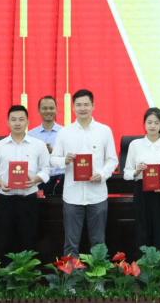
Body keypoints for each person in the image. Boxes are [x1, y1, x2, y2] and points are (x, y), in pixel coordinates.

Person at [50, 89, 119, 258]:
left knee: (98, 243)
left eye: (86, 104)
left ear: (93, 106)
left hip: (97, 195)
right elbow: (53, 159)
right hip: (72, 196)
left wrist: (102, 174)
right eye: (79, 105)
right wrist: (64, 160)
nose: (82, 108)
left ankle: (98, 275)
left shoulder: (104, 131)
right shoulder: (64, 132)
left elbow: (112, 160)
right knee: (71, 243)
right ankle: (71, 275)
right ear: (73, 107)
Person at [0, 105, 50, 266]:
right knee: (5, 240)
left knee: (29, 240)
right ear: (8, 122)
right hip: (6, 201)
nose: (17, 123)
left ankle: (27, 277)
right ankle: (6, 276)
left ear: (27, 122)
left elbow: (47, 169)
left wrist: (35, 179)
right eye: (13, 120)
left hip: (29, 201)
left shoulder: (38, 145)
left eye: (21, 119)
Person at [124, 107, 160, 253]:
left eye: (156, 122)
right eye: (149, 122)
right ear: (144, 124)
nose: (152, 126)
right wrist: (136, 171)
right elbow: (126, 173)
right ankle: (143, 264)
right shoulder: (135, 145)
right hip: (142, 193)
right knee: (142, 230)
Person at [28, 96, 64, 195]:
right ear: (38, 110)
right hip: (38, 181)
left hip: (60, 180)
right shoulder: (31, 135)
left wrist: (54, 152)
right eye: (44, 108)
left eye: (51, 108)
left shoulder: (65, 132)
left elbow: (70, 158)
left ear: (56, 110)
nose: (48, 111)